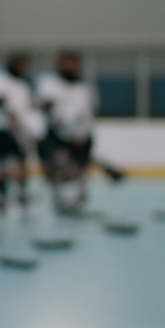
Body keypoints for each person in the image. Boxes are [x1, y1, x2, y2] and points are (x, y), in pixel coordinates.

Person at [36, 50, 123, 213]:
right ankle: (59, 199)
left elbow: (88, 114)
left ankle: (79, 200)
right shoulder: (49, 83)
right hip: (56, 138)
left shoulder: (86, 88)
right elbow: (47, 109)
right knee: (59, 170)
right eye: (67, 63)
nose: (72, 67)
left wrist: (81, 135)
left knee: (80, 172)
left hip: (82, 137)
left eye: (74, 64)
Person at [0, 53, 37, 219]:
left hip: (18, 132)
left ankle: (22, 194)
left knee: (20, 163)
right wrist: (9, 114)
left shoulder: (22, 85)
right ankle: (1, 196)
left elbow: (25, 109)